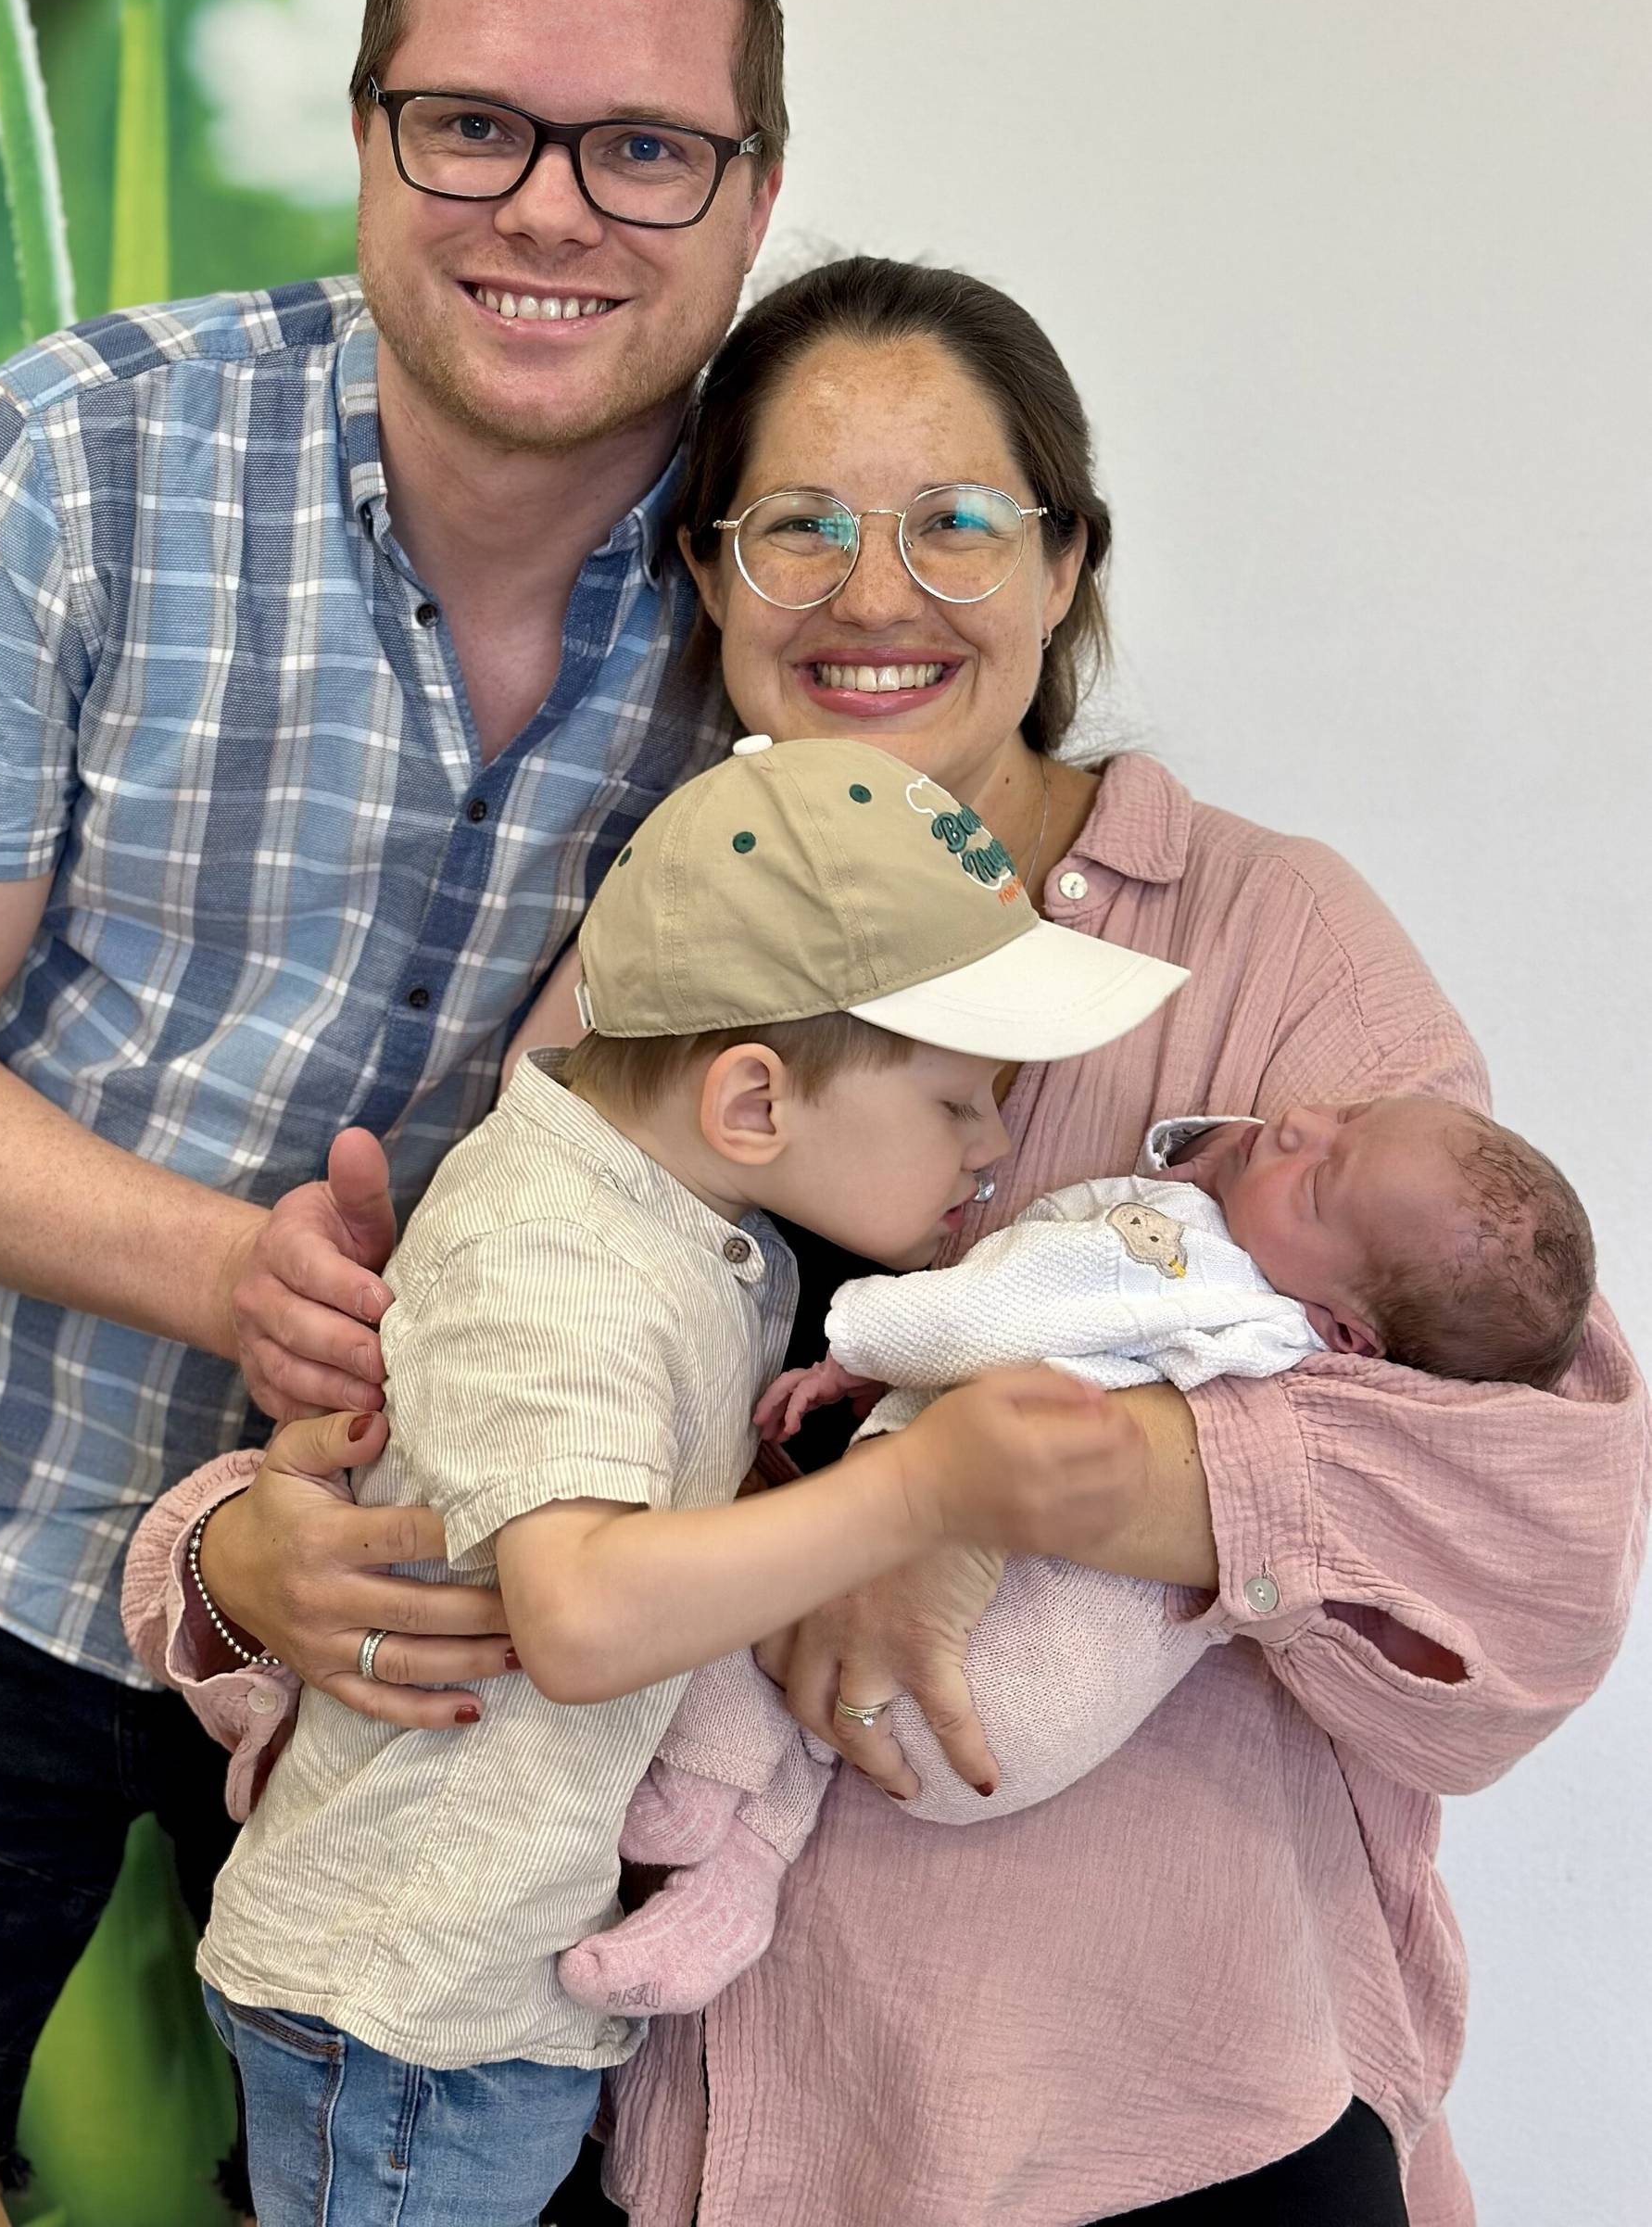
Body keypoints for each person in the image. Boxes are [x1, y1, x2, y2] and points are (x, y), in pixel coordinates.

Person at [161, 257, 1646, 2226]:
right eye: (798, 527)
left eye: (956, 521)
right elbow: (463, 1437)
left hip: (1161, 2136)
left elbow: (1543, 1531)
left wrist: (1039, 1475)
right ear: (706, 578)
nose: (875, 593)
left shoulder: (1279, 947)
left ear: (1066, 563)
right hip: (644, 2112)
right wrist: (229, 1564)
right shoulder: (669, 939)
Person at [0, 0, 851, 2182]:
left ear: (753, 195)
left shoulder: (799, 588)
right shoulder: (81, 458)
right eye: (476, 126)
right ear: (367, 140)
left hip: (427, 1629)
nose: (552, 210)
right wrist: (233, 1268)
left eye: (643, 146)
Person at [177, 732, 1185, 2226]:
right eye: (961, 1102)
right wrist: (920, 1497)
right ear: (755, 1106)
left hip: (465, 1993)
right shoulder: (563, 1263)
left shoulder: (672, 1223)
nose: (995, 1145)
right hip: (414, 2022)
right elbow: (577, 1619)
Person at [558, 1092, 1597, 2018]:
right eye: (1349, 1112)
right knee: (823, 1705)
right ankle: (736, 1884)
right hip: (1046, 1711)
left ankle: (697, 1787)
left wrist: (861, 1344)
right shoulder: (1287, 1342)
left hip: (1012, 1651)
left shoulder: (1195, 1268)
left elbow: (1010, 1311)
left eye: (1320, 1178)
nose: (1297, 1124)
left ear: (1352, 1332)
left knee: (768, 1609)